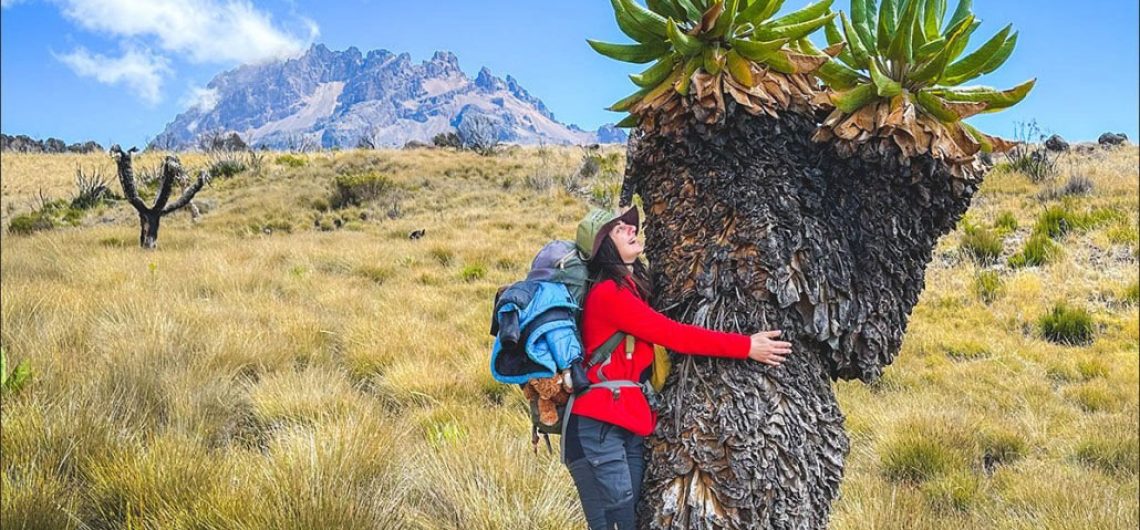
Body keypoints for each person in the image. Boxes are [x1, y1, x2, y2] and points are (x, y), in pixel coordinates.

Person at [564, 207, 792, 530]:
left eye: (629, 225)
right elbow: (675, 336)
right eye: (619, 229)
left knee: (629, 519)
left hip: (624, 424)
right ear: (605, 248)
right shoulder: (609, 295)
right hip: (596, 429)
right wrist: (747, 346)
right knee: (616, 523)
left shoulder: (631, 289)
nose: (631, 228)